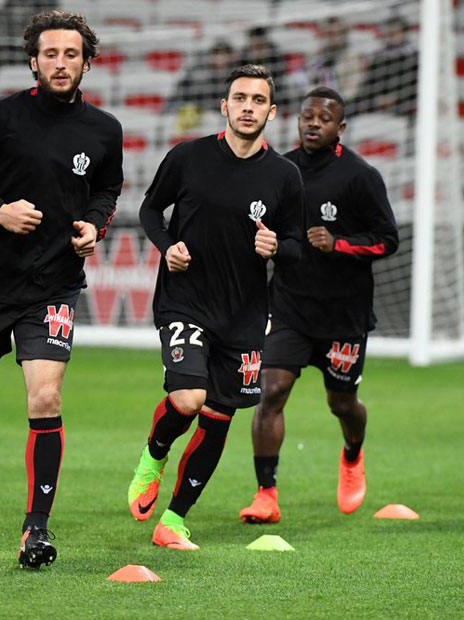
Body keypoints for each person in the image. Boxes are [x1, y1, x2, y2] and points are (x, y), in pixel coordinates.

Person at [0, 10, 122, 569]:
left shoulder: (104, 130)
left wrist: (93, 226)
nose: (61, 63)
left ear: (87, 61)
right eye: (51, 54)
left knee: (46, 397)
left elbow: (107, 188)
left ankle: (36, 529)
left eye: (72, 55)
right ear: (33, 61)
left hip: (54, 285)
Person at [126, 64, 304, 550]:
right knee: (188, 400)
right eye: (239, 98)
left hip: (245, 316)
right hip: (186, 300)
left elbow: (298, 245)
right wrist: (166, 245)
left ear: (272, 110)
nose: (248, 107)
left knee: (219, 419)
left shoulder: (285, 176)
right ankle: (154, 454)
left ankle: (174, 520)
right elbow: (148, 209)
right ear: (224, 106)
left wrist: (276, 247)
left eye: (258, 100)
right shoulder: (188, 157)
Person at [239, 87, 398, 524]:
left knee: (342, 404)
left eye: (324, 119)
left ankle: (352, 454)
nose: (313, 124)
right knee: (269, 392)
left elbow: (389, 240)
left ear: (340, 127)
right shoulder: (279, 168)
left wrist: (339, 243)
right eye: (307, 117)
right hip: (288, 308)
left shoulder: (360, 176)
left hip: (343, 316)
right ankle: (266, 493)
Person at [352, 16, 418, 116]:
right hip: (376, 110)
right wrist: (377, 100)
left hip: (403, 110)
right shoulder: (378, 57)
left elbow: (416, 86)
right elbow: (367, 86)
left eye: (395, 32)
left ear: (404, 33)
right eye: (389, 33)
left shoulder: (415, 58)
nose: (391, 36)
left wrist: (396, 97)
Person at [163, 39, 236, 115]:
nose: (220, 57)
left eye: (224, 54)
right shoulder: (198, 72)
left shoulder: (233, 76)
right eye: (217, 53)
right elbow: (183, 90)